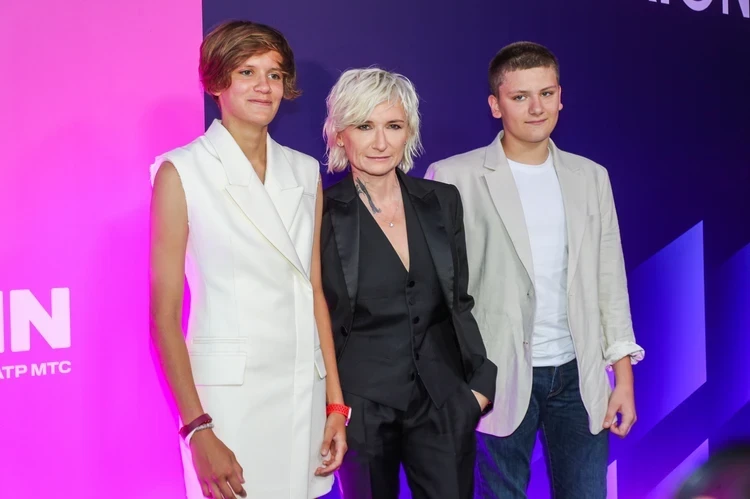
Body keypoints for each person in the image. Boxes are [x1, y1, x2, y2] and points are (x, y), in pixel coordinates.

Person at [426, 41, 645, 498]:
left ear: (561, 97)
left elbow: (609, 280)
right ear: (495, 104)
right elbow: (437, 295)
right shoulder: (453, 177)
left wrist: (623, 378)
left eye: (546, 94)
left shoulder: (591, 177)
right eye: (520, 96)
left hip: (578, 376)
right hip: (495, 378)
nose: (536, 108)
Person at [148, 20, 346, 499]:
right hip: (227, 401)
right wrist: (197, 428)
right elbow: (163, 315)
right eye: (247, 72)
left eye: (274, 74)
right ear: (217, 82)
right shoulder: (182, 171)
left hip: (302, 390)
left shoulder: (305, 171)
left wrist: (336, 405)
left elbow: (313, 291)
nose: (264, 86)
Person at [319, 68, 497, 499]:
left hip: (443, 399)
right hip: (360, 406)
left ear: (409, 132)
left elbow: (459, 300)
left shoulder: (441, 201)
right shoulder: (320, 211)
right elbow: (314, 313)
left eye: (393, 126)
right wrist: (334, 404)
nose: (381, 142)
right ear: (340, 134)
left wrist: (478, 389)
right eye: (365, 126)